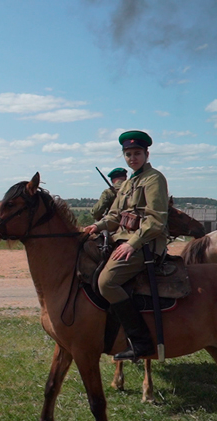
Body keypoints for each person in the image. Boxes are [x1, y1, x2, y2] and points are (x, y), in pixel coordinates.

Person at [83, 130, 169, 361]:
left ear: (146, 154)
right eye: (128, 154)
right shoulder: (128, 182)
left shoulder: (154, 179)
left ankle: (140, 342)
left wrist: (133, 244)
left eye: (137, 153)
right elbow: (114, 216)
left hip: (146, 244)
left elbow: (157, 219)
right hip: (121, 238)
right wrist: (97, 227)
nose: (133, 158)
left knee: (107, 282)